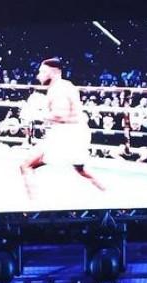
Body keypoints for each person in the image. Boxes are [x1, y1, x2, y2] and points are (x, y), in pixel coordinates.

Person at [20, 58, 104, 202]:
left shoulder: (57, 89)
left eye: (41, 72)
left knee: (26, 165)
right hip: (78, 132)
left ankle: (33, 206)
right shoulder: (67, 85)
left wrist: (36, 114)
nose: (38, 75)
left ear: (51, 72)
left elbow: (61, 115)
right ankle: (107, 192)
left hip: (66, 134)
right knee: (80, 169)